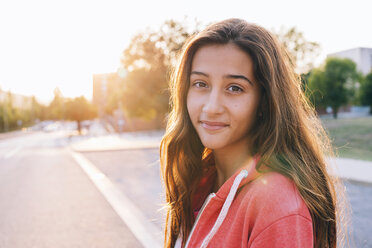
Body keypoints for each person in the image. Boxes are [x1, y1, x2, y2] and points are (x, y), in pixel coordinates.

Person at [160, 18, 339, 248]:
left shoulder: (276, 204)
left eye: (234, 88)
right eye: (201, 84)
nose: (212, 107)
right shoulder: (200, 180)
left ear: (264, 101)